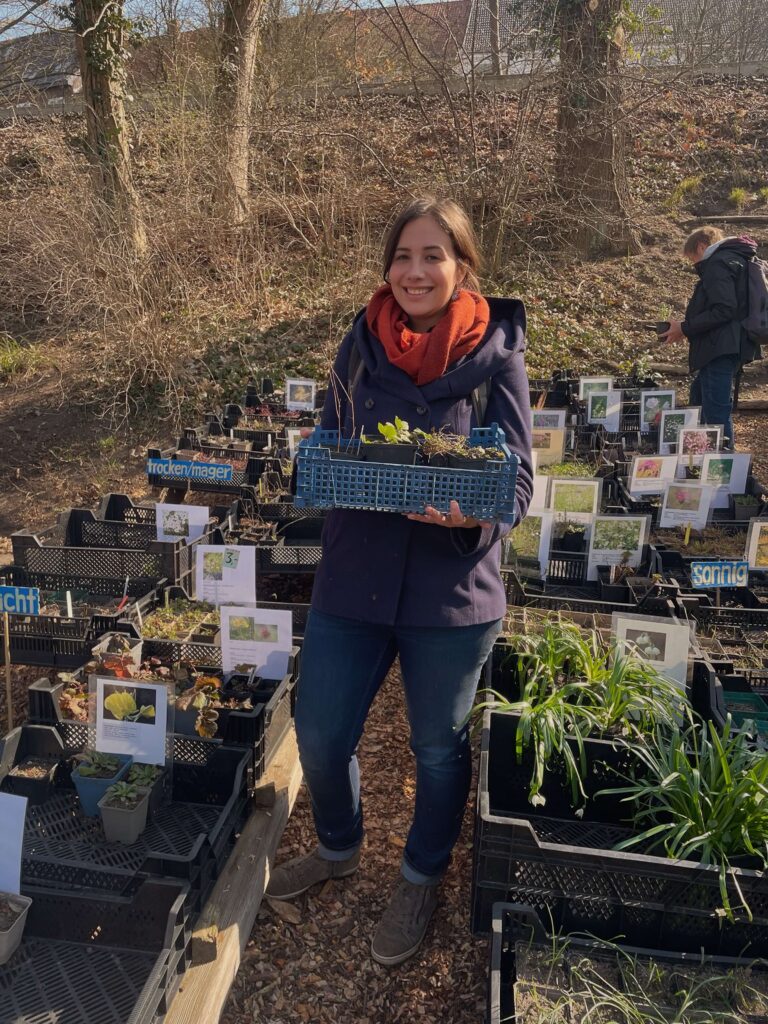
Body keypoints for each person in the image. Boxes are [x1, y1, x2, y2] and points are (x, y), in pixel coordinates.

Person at [266, 197, 533, 965]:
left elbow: (515, 487)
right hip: (354, 580)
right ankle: (340, 845)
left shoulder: (497, 354)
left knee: (436, 749)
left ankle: (420, 876)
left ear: (462, 266)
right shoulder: (359, 343)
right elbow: (327, 436)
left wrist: (469, 519)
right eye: (403, 256)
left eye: (433, 256)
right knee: (318, 732)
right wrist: (315, 467)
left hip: (451, 595)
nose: (415, 272)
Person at [661, 226, 760, 447]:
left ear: (701, 247)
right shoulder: (735, 260)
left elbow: (724, 309)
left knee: (715, 412)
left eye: (692, 258)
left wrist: (684, 328)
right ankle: (697, 459)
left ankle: (723, 469)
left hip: (720, 348)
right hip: (729, 345)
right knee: (699, 400)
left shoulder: (717, 264)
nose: (694, 264)